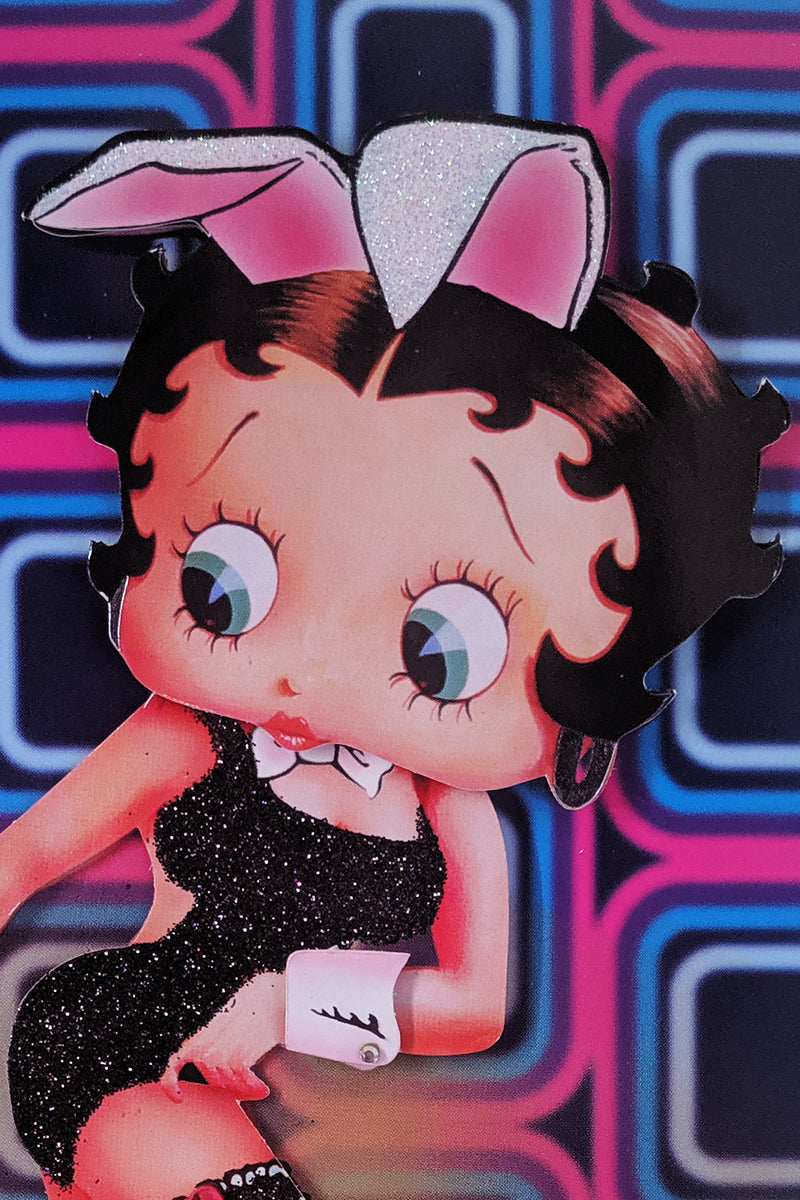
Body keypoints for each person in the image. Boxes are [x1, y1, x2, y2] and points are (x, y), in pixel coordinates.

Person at [1, 116, 787, 1200]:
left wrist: (292, 1002)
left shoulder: (449, 813)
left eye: (441, 646)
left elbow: (472, 1006)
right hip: (111, 1044)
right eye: (223, 582)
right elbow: (24, 856)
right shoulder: (189, 738)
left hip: (216, 1086)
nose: (311, 672)